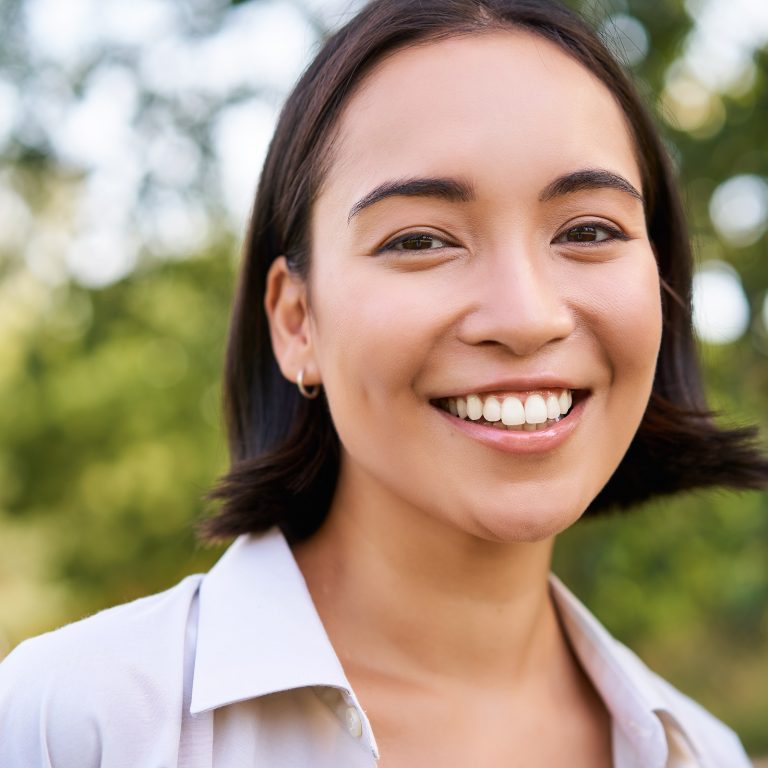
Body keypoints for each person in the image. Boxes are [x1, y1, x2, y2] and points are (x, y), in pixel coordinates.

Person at [1, 0, 766, 765]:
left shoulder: (699, 752)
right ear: (298, 321)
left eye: (589, 231)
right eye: (421, 240)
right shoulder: (76, 721)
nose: (527, 317)